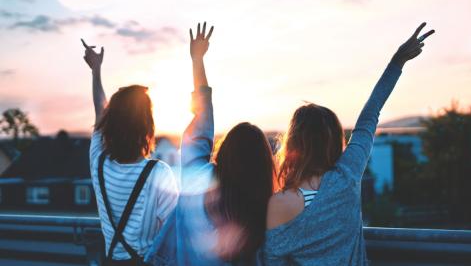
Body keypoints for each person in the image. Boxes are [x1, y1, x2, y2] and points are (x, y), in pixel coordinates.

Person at [264, 23, 435, 265]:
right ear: (334, 141)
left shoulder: (279, 203)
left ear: (292, 142)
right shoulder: (347, 175)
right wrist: (397, 62)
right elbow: (369, 116)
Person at [147, 22, 275, 266]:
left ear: (225, 151)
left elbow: (202, 121)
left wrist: (197, 60)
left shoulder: (198, 180)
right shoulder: (265, 211)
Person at [82, 39, 179, 265]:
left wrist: (96, 71)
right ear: (147, 127)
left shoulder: (98, 162)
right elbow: (173, 233)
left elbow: (100, 113)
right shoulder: (159, 174)